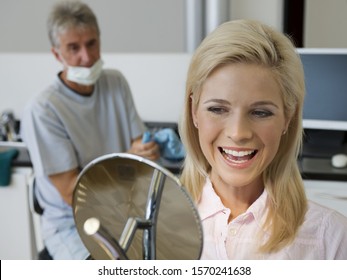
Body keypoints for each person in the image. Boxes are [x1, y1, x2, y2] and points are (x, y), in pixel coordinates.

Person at [179, 19, 347, 259]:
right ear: (194, 111)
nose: (238, 133)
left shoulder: (332, 239)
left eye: (260, 112)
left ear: (288, 117)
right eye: (217, 109)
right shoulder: (151, 227)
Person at [21, 1, 159, 260]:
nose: (86, 57)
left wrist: (151, 147)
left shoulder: (115, 83)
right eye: (74, 48)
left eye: (91, 43)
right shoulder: (43, 109)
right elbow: (74, 195)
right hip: (73, 225)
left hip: (122, 212)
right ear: (56, 54)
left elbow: (140, 149)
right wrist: (127, 160)